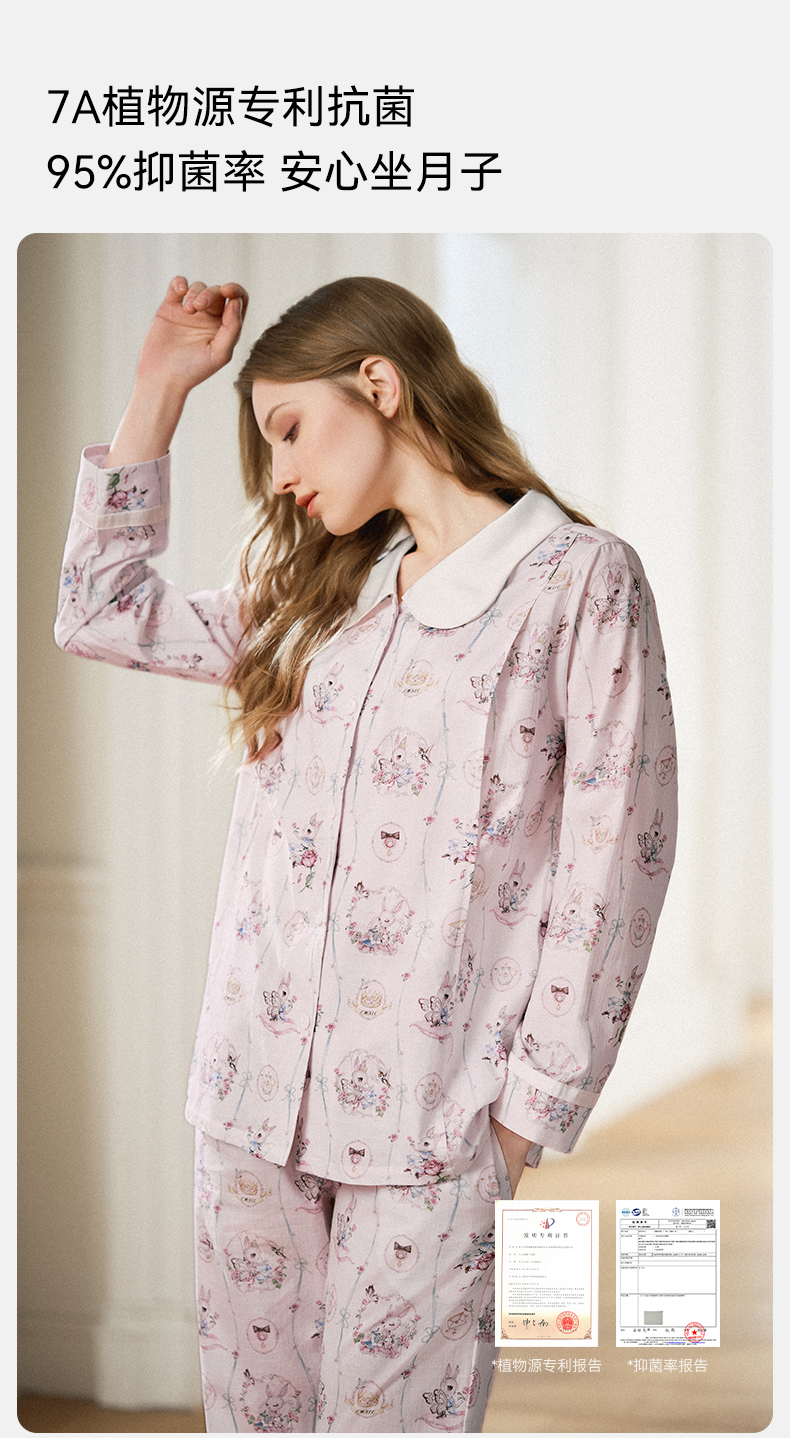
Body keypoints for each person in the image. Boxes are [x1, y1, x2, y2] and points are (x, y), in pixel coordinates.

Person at [55, 274, 677, 1433]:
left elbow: (616, 860)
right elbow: (97, 608)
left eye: (290, 428)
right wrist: (159, 386)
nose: (280, 472)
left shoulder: (575, 582)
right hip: (249, 1102)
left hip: (433, 1123)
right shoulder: (317, 594)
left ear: (378, 384)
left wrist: (526, 1114)